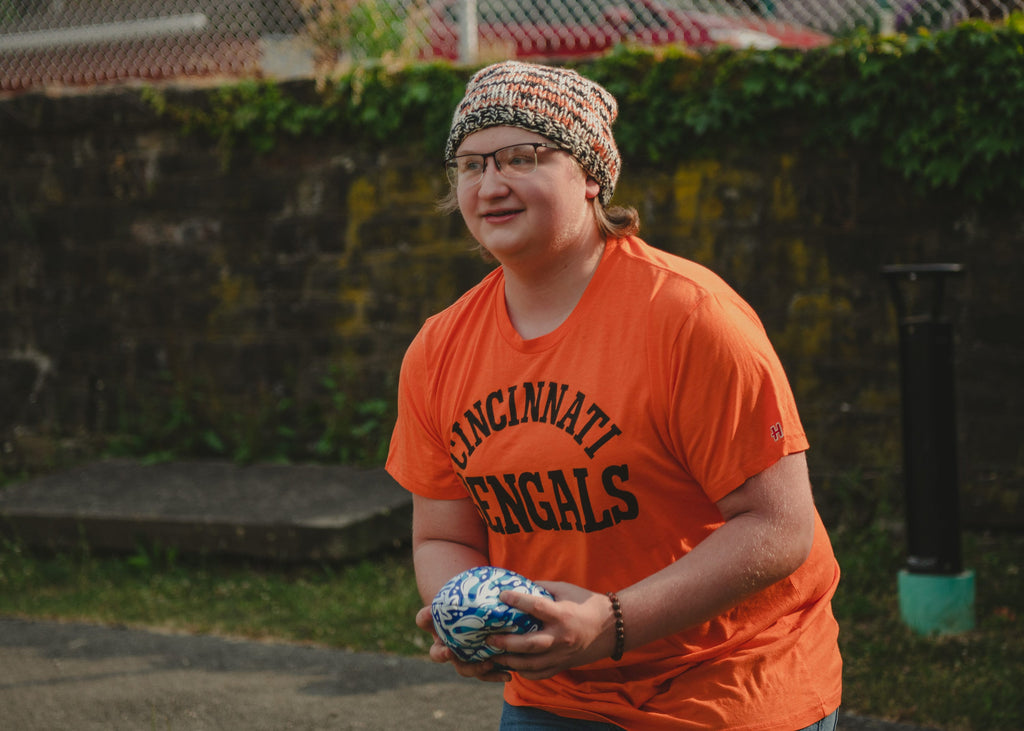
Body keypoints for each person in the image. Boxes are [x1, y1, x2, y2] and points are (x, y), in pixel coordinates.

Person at [385, 60, 842, 730]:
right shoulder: (438, 349)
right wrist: (470, 619)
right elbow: (443, 533)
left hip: (730, 687)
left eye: (521, 156)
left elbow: (779, 526)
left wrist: (611, 621)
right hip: (559, 694)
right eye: (472, 164)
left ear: (592, 175)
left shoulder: (689, 317)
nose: (491, 184)